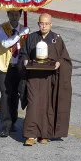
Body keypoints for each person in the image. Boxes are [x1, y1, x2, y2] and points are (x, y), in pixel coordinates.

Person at [20, 13, 73, 145]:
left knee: (47, 106)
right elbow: (24, 54)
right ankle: (31, 135)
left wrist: (59, 63)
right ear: (38, 24)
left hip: (49, 79)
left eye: (46, 23)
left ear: (51, 24)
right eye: (41, 23)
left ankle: (45, 134)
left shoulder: (56, 39)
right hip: (34, 78)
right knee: (33, 105)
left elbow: (64, 57)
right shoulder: (31, 38)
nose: (43, 26)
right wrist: (25, 61)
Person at [0, 11, 30, 137]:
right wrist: (19, 34)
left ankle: (13, 121)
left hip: (18, 67)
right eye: (11, 14)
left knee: (15, 95)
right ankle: (5, 125)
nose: (14, 17)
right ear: (7, 14)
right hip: (4, 66)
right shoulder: (1, 28)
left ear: (20, 15)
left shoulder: (24, 29)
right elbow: (5, 43)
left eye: (16, 14)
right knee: (5, 94)